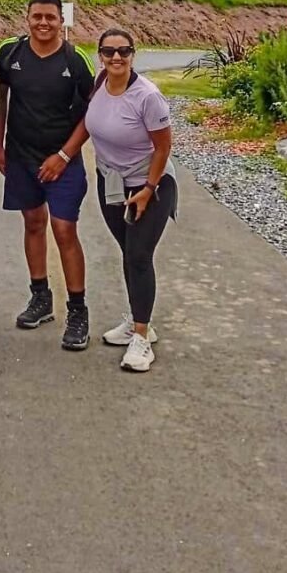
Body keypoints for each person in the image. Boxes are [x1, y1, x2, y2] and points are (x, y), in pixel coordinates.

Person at [65, 27, 177, 373]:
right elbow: (88, 122)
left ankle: (142, 339)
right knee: (129, 253)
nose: (116, 57)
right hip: (111, 182)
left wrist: (147, 189)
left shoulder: (147, 97)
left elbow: (163, 146)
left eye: (124, 52)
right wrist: (64, 154)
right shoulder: (100, 83)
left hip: (149, 185)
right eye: (109, 51)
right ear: (100, 55)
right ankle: (137, 318)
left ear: (133, 55)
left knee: (140, 256)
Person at [0, 0, 95, 350]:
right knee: (33, 222)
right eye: (37, 16)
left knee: (64, 229)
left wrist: (64, 156)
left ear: (60, 20)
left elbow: (90, 115)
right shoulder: (10, 53)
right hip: (21, 155)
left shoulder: (75, 60)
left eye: (50, 17)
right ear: (27, 17)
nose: (43, 23)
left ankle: (78, 310)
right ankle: (40, 297)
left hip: (62, 158)